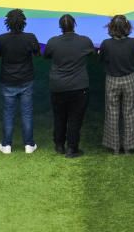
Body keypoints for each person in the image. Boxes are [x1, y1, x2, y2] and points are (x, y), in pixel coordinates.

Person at [44, 14, 95, 158]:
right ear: (74, 25)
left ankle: (59, 145)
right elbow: (92, 53)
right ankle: (72, 148)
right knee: (75, 118)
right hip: (79, 87)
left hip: (57, 86)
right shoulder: (84, 41)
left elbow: (47, 55)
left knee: (59, 116)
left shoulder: (53, 42)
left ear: (60, 27)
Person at [0, 8, 40, 155]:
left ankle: (6, 145)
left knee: (8, 114)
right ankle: (29, 145)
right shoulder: (30, 37)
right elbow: (37, 54)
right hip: (26, 80)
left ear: (8, 23)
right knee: (27, 113)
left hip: (7, 81)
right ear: (23, 22)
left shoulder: (1, 39)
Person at [99, 14, 134, 155]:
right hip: (129, 79)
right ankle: (128, 147)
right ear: (127, 27)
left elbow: (102, 59)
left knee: (112, 113)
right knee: (129, 112)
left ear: (111, 27)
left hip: (112, 79)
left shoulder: (106, 44)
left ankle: (115, 147)